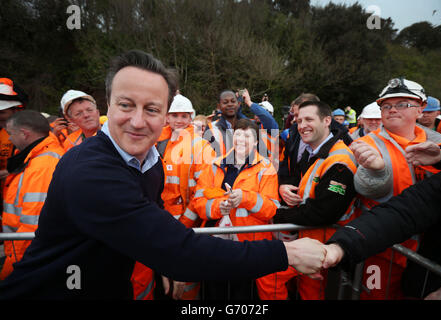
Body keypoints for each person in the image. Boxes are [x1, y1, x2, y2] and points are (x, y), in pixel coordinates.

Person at [0, 50, 326, 299]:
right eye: (126, 105)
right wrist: (287, 253)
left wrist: (165, 257)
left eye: (152, 109)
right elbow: (177, 246)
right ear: (108, 107)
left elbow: (160, 225)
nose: (139, 121)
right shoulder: (89, 171)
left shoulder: (149, 159)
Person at [349, 77, 441, 299]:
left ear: (421, 108)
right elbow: (363, 189)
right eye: (386, 105)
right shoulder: (364, 146)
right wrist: (375, 170)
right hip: (383, 250)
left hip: (430, 253)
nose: (392, 110)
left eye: (402, 104)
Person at [324, 143, 441, 300]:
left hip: (404, 254)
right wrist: (342, 245)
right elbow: (402, 211)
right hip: (378, 247)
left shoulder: (432, 140)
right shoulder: (364, 142)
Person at [268, 100, 358, 300]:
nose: (302, 125)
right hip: (312, 243)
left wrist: (277, 215)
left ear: (327, 121)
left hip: (326, 249)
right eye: (299, 120)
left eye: (309, 119)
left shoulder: (339, 160)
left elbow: (323, 211)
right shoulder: (317, 153)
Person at [133, 93, 215, 301]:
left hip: (185, 223)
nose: (179, 120)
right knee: (158, 280)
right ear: (166, 117)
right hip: (156, 220)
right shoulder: (154, 141)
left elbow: (203, 191)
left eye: (185, 116)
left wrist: (184, 224)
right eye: (174, 115)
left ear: (191, 118)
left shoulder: (201, 146)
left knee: (185, 284)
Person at [189, 118, 281, 300]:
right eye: (238, 134)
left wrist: (245, 198)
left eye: (248, 135)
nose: (241, 139)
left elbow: (272, 209)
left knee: (243, 295)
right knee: (215, 293)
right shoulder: (215, 165)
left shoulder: (266, 168)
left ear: (256, 141)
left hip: (249, 246)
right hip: (216, 244)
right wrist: (218, 207)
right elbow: (198, 201)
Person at [0, 110, 64, 280]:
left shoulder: (43, 166)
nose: (10, 139)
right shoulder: (36, 158)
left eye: (11, 134)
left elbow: (33, 226)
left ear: (25, 134)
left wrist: (11, 271)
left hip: (25, 258)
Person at [0, 78, 26, 220]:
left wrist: (10, 171)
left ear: (15, 110)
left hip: (18, 197)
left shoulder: (29, 131)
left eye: (2, 113)